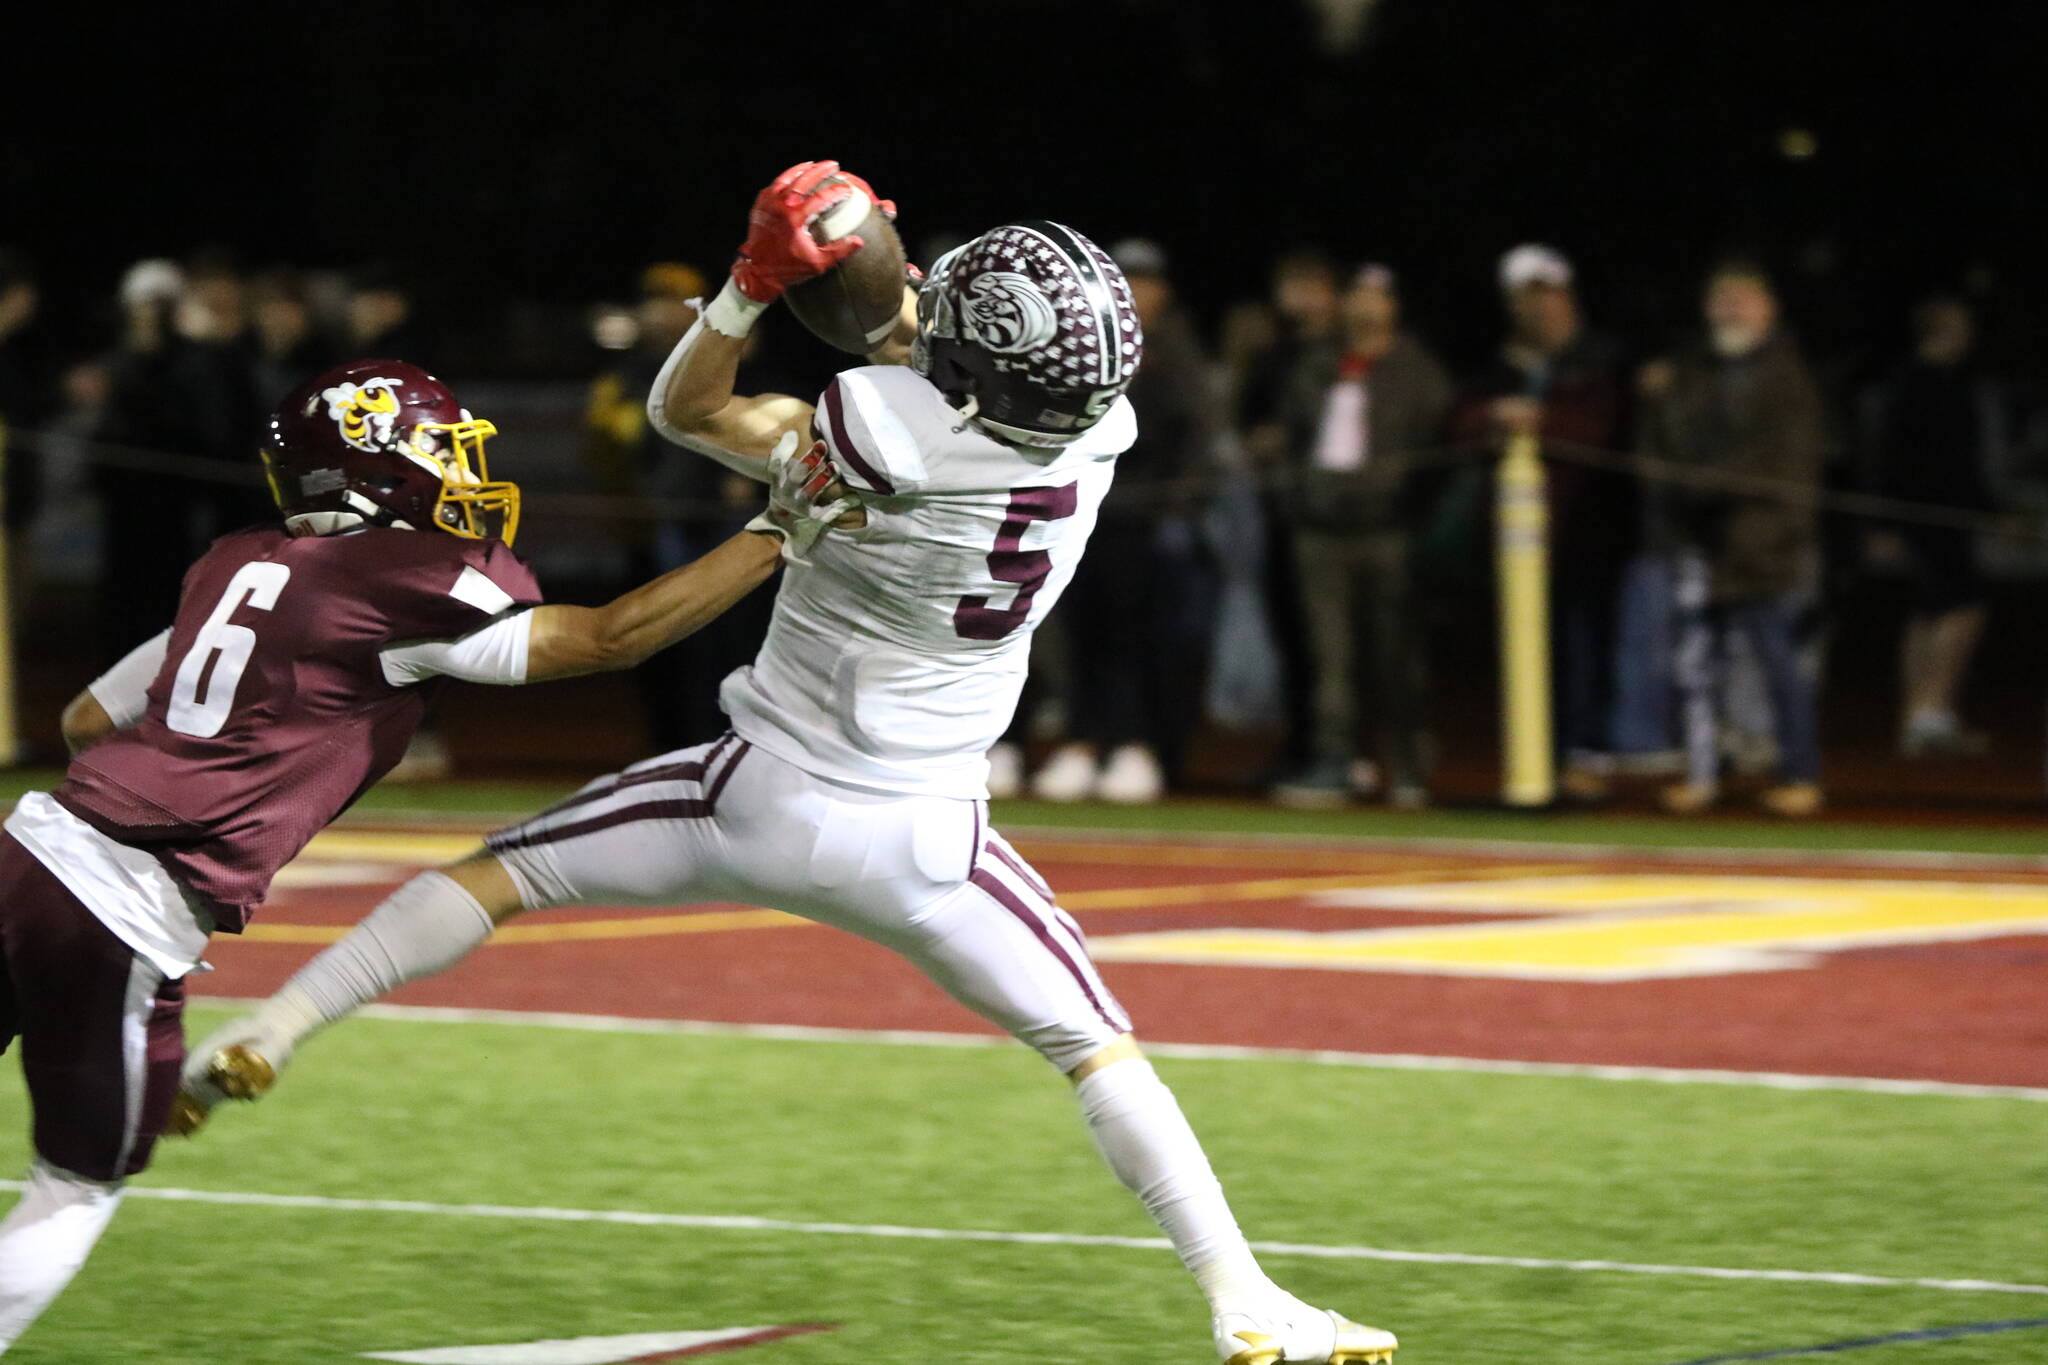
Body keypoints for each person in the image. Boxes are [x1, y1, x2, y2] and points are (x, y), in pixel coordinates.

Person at [177, 162, 1399, 1365]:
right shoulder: (1098, 438)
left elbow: (687, 410)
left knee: (499, 874)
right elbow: (944, 365)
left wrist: (751, 286)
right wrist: (910, 320)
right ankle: (1242, 1298)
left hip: (751, 791)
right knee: (1095, 1050)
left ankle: (274, 1031)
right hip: (929, 841)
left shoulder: (869, 427)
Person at [0, 358, 849, 1353]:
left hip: (27, 848)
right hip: (121, 917)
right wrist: (779, 529)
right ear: (372, 465)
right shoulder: (405, 579)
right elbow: (608, 638)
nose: (457, 469)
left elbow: (87, 716)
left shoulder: (236, 559)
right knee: (79, 1184)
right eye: (440, 447)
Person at [1029, 238, 1217, 803]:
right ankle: (1085, 741)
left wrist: (1176, 511)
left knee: (1141, 642)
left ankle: (1137, 745)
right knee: (1079, 637)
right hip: (1085, 515)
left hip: (1147, 525)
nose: (1136, 291)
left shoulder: (1178, 352)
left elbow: (1197, 441)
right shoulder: (1085, 346)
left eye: (1146, 280)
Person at [1639, 262, 1827, 816]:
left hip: (1764, 543)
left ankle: (1800, 771)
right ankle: (1704, 773)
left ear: (1769, 309)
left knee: (1777, 660)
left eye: (1743, 299)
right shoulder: (1691, 372)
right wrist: (1659, 399)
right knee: (1697, 666)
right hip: (1702, 542)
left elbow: (1781, 468)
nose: (1730, 310)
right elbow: (1667, 449)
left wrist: (1703, 488)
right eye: (1721, 299)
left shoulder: (1787, 378)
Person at [1451, 245, 1631, 800]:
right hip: (1517, 541)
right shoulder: (1499, 366)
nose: (1539, 309)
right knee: (1531, 651)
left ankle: (1587, 756)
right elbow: (1458, 422)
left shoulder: (1600, 359)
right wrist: (1492, 418)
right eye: (1526, 300)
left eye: (1547, 296)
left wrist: (1542, 420)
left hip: (1589, 530)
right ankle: (1538, 761)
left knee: (1588, 650)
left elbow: (1604, 427)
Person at [1270, 264, 1451, 808]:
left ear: (1394, 307)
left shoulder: (1417, 371)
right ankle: (1335, 761)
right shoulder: (1319, 364)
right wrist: (1298, 501)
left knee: (1396, 655)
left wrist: (1417, 517)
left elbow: (1438, 448)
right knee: (1331, 659)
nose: (1366, 307)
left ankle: (1406, 765)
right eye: (1358, 295)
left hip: (1389, 531)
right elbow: (1289, 438)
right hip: (1322, 531)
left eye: (1377, 297)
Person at [1857, 293, 2004, 756]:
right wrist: (1884, 523)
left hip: (1936, 518)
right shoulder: (1919, 384)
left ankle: (1919, 717)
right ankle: (1929, 712)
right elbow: (1890, 457)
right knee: (1962, 608)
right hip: (1930, 519)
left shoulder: (1936, 381)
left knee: (1928, 611)